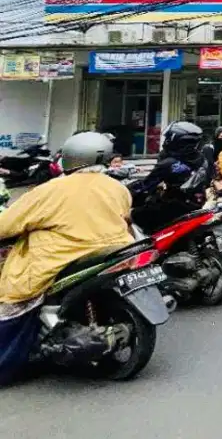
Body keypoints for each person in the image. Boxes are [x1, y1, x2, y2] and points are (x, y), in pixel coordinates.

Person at [0, 132, 133, 385]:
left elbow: (7, 224)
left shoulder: (51, 189)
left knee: (11, 302)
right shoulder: (117, 187)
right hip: (112, 251)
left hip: (59, 258)